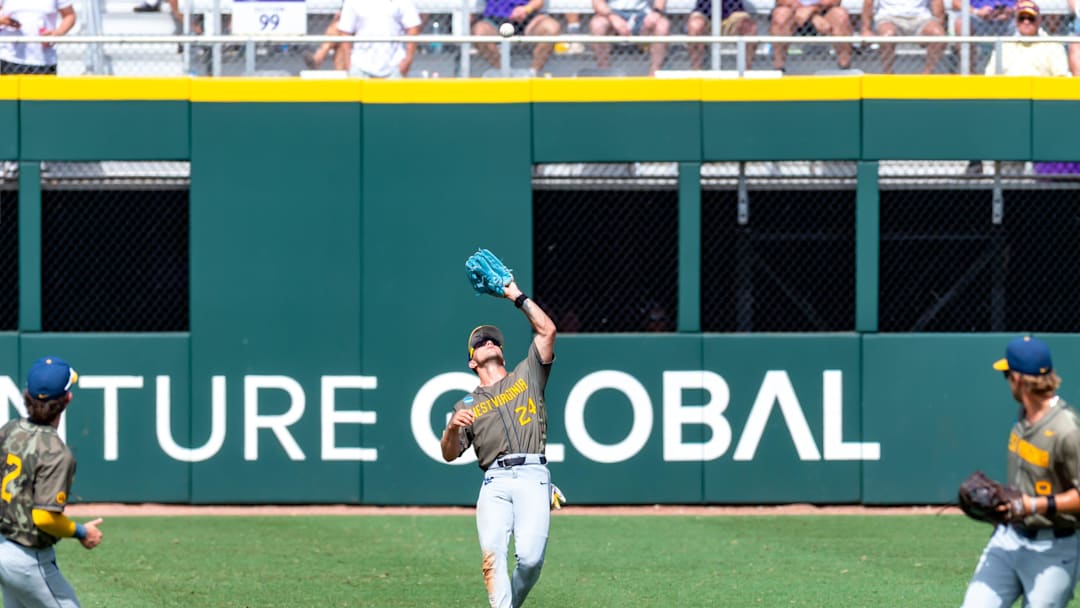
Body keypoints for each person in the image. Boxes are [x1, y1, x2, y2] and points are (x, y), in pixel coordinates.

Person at [441, 281, 560, 608]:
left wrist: (515, 296)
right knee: (493, 558)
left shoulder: (527, 376)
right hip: (494, 482)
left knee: (531, 560)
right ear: (472, 361)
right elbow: (449, 454)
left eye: (493, 339)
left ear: (502, 352)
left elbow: (547, 331)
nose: (489, 342)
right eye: (480, 342)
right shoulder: (466, 404)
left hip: (534, 475)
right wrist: (451, 429)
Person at [960, 336, 1080, 607]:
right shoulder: (1023, 416)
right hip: (1008, 538)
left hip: (1054, 550)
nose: (1006, 380)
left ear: (1018, 380)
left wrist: (1032, 505)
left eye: (1006, 373)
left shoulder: (1067, 430)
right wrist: (1004, 509)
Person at [0, 356, 104, 607]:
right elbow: (44, 517)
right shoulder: (57, 453)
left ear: (27, 396)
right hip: (27, 561)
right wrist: (81, 532)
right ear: (67, 400)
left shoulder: (9, 430)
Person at [331, 0, 421, 78]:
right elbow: (345, 31)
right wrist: (348, 64)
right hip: (360, 67)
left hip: (394, 67)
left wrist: (408, 59)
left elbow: (413, 26)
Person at [472, 0, 561, 76]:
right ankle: (503, 72)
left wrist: (526, 9)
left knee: (551, 28)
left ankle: (532, 73)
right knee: (479, 32)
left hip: (527, 16)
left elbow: (539, 1)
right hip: (495, 19)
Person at [984, 0, 1069, 75]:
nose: (1026, 22)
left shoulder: (1053, 46)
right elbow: (990, 75)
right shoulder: (1004, 46)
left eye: (1031, 18)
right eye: (1021, 18)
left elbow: (1061, 76)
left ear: (1039, 20)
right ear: (1016, 21)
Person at [861, 0, 946, 73]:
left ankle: (927, 75)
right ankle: (887, 73)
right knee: (888, 34)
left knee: (938, 34)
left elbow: (936, 1)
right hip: (888, 16)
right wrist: (866, 29)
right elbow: (869, 1)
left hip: (921, 17)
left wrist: (939, 24)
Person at [590, 0, 671, 76]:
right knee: (597, 25)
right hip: (612, 12)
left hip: (643, 12)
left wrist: (656, 13)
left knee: (663, 26)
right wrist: (612, 17)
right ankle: (604, 72)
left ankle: (654, 74)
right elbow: (597, 2)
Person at [769, 0, 853, 71]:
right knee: (780, 15)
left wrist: (812, 10)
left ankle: (844, 67)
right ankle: (779, 68)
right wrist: (812, 16)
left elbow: (834, 1)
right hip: (793, 11)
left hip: (825, 11)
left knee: (841, 15)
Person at [0, 0, 75, 75]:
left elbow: (69, 15)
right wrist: (2, 21)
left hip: (44, 60)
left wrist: (57, 33)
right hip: (9, 58)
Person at [687, 0, 759, 71]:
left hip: (733, 13)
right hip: (705, 12)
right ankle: (697, 73)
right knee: (695, 26)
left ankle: (746, 73)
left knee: (750, 28)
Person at [952, 0, 1016, 73]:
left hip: (1008, 20)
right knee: (961, 23)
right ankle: (969, 72)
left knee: (1026, 20)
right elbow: (955, 2)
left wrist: (1011, 10)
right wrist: (977, 12)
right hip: (978, 18)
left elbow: (1024, 3)